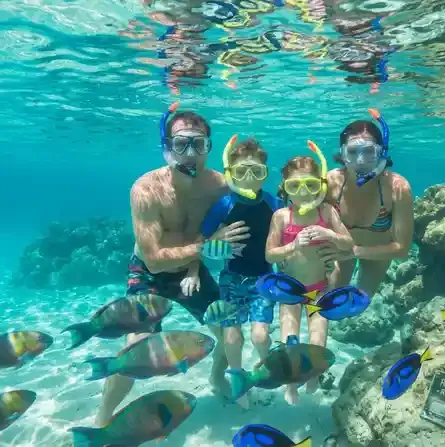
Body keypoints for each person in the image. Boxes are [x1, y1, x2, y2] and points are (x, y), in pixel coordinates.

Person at [94, 103, 251, 426]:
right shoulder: (146, 190)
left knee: (231, 333)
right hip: (149, 274)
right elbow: (152, 256)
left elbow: (261, 207)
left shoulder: (220, 186)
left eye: (199, 143)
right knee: (133, 351)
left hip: (191, 267)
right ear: (167, 148)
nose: (190, 153)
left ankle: (217, 379)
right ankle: (102, 421)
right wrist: (206, 247)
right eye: (181, 144)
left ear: (209, 147)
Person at [192, 136, 282, 408]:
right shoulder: (224, 204)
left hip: (264, 280)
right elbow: (202, 240)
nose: (250, 177)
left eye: (257, 171)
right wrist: (208, 247)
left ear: (265, 173)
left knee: (261, 337)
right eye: (242, 171)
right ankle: (238, 383)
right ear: (231, 173)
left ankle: (263, 375)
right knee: (232, 336)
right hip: (231, 280)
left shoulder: (273, 203)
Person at [265, 144, 353, 405]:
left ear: (320, 187)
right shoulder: (281, 216)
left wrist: (330, 234)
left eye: (311, 186)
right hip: (290, 290)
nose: (303, 194)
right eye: (295, 187)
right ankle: (291, 382)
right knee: (289, 338)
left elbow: (348, 244)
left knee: (318, 338)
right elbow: (270, 254)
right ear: (284, 188)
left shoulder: (327, 212)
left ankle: (313, 375)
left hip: (319, 289)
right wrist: (293, 245)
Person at [319, 109, 415, 298]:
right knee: (330, 301)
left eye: (369, 151)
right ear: (342, 154)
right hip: (340, 251)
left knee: (361, 301)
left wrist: (354, 252)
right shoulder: (330, 182)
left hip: (378, 253)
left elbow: (402, 249)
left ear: (381, 152)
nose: (361, 160)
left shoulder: (397, 188)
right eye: (353, 152)